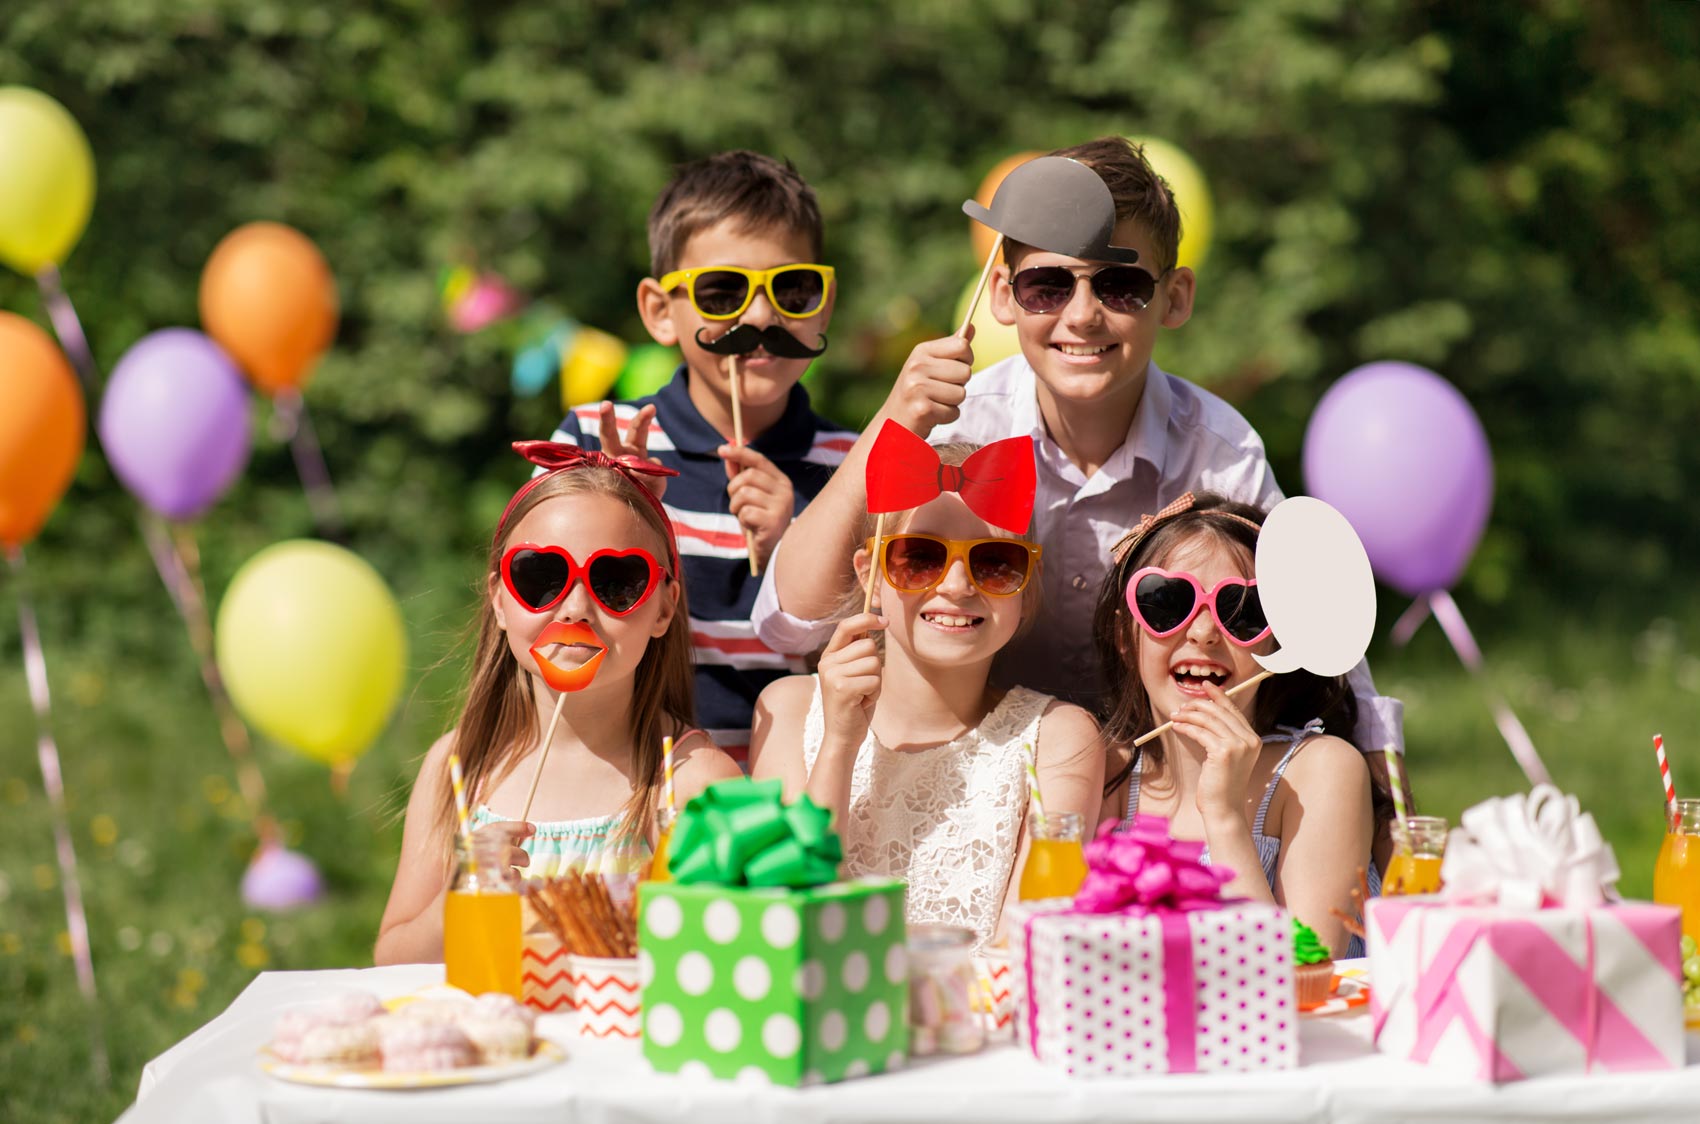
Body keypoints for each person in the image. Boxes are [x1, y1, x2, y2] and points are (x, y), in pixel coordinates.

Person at [751, 136, 1404, 769]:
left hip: (1152, 781)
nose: (1083, 314)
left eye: (1119, 286)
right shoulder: (957, 422)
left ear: (1174, 297)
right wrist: (888, 426)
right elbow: (788, 623)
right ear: (1004, 296)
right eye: (1048, 285)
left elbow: (1317, 630)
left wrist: (1383, 795)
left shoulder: (1218, 451)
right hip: (978, 765)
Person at [375, 442, 742, 964]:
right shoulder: (457, 770)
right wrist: (458, 895)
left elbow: (733, 958)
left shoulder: (693, 783)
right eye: (541, 576)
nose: (574, 608)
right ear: (500, 600)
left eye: (617, 582)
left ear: (664, 607)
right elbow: (392, 959)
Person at [545, 151, 856, 764]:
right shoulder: (589, 439)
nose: (761, 316)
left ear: (823, 302)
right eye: (723, 291)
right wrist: (623, 516)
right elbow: (548, 623)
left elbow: (872, 664)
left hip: (790, 796)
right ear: (661, 312)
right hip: (635, 780)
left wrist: (795, 552)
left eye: (792, 288)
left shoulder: (852, 467)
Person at [749, 438, 1103, 951]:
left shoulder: (1059, 739)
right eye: (920, 558)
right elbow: (784, 920)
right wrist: (839, 745)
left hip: (977, 1026)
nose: (957, 586)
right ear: (869, 574)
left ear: (1028, 585)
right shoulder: (786, 709)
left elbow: (1028, 947)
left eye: (995, 563)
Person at [1095, 492, 1389, 956]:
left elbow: (1298, 977)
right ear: (1124, 639)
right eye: (1167, 602)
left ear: (1276, 641)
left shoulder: (1321, 773)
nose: (1203, 632)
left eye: (1241, 611)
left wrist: (1226, 816)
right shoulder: (1104, 776)